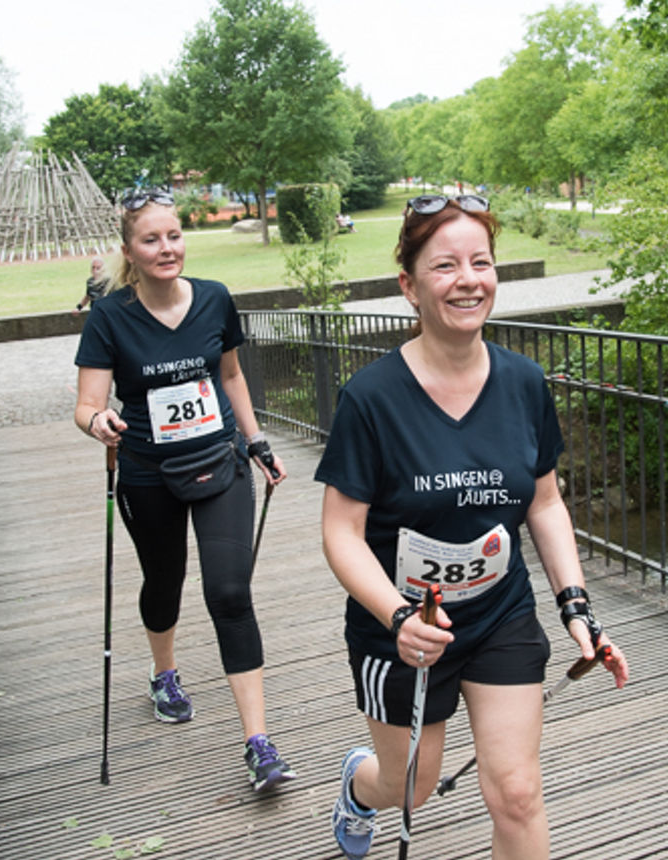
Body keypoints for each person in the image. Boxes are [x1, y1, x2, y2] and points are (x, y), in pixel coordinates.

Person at [315, 193, 629, 859]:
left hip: (498, 616)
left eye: (481, 262)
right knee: (411, 784)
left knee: (517, 793)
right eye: (445, 266)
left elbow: (544, 503)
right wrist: (399, 618)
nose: (468, 279)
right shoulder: (370, 399)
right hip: (398, 630)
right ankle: (357, 788)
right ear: (409, 287)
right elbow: (341, 532)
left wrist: (577, 606)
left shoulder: (523, 383)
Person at [73, 187, 296, 792]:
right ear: (130, 250)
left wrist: (257, 442)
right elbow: (87, 404)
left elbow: (230, 376)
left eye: (173, 235)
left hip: (220, 460)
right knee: (164, 583)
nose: (166, 248)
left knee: (229, 592)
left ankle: (258, 742)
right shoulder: (111, 317)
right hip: (148, 473)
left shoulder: (215, 299)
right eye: (151, 239)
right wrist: (100, 423)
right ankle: (164, 672)